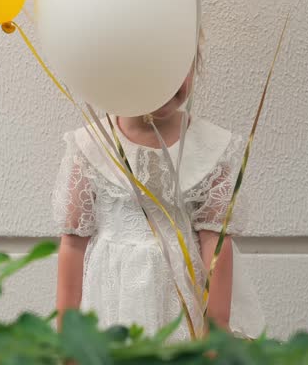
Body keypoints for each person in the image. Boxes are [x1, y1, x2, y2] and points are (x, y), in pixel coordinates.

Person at [53, 47, 264, 342]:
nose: (168, 83)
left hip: (180, 298)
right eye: (152, 70)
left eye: (179, 68)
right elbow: (74, 244)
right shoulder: (91, 145)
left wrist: (216, 327)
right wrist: (68, 333)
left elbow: (215, 239)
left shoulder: (209, 146)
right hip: (113, 295)